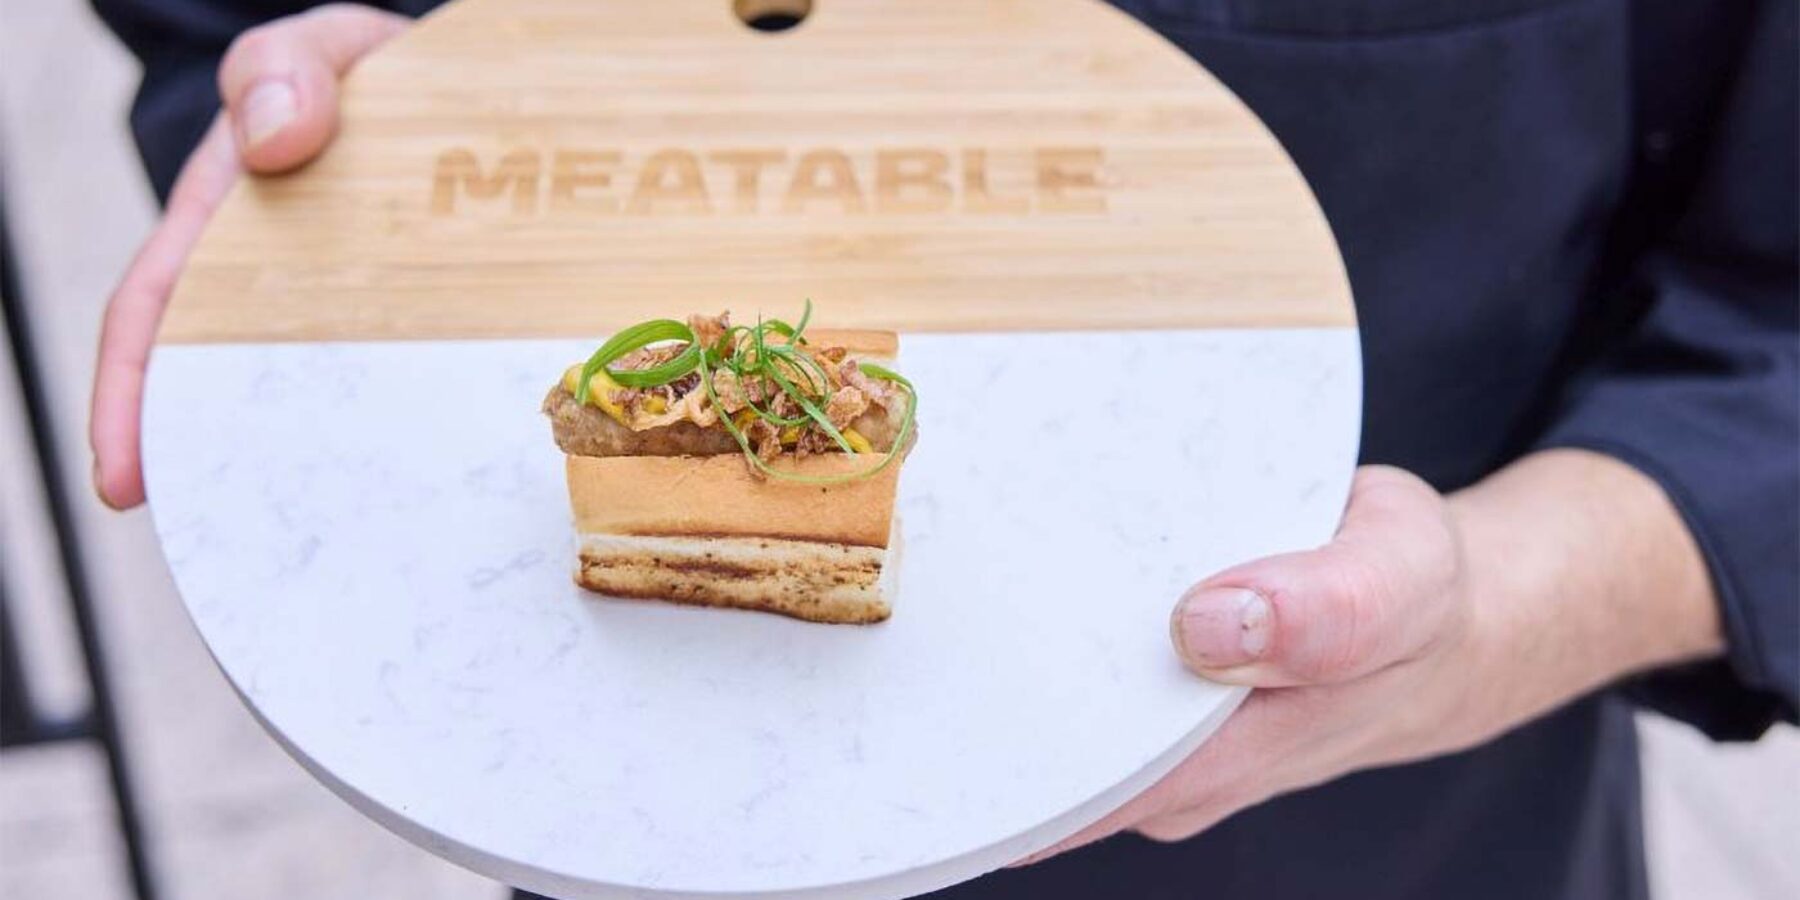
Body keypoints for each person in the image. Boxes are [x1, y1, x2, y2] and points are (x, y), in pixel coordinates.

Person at [88, 2, 1796, 898]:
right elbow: (227, 17)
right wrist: (358, 129)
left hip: (1401, 840)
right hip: (640, 826)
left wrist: (1497, 607)